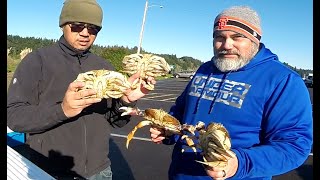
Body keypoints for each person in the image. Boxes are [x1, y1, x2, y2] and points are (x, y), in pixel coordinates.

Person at [149, 5, 313, 180]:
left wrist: (239, 164)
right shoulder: (205, 69)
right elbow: (182, 111)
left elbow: (294, 146)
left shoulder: (283, 80)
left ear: (254, 40)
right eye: (219, 37)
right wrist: (168, 130)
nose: (226, 45)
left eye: (237, 37)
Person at [7, 0, 155, 179]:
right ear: (63, 25)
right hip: (47, 170)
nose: (85, 33)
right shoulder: (37, 61)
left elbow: (115, 121)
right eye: (77, 25)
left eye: (93, 28)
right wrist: (62, 110)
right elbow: (14, 116)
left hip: (99, 171)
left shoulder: (105, 67)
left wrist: (126, 101)